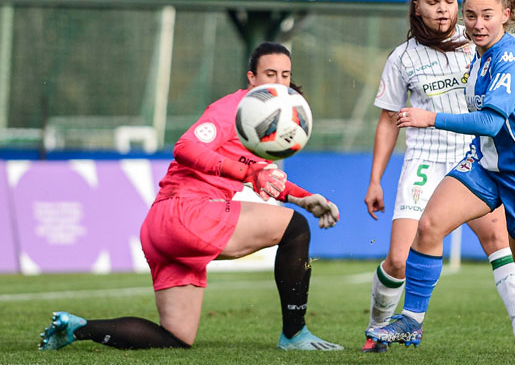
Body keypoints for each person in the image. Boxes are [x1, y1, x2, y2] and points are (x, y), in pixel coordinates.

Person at [37, 42, 344, 352]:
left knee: (176, 337)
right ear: (251, 78)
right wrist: (251, 175)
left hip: (162, 226)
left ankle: (76, 328)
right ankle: (295, 334)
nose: (279, 82)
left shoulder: (261, 120)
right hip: (188, 214)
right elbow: (185, 148)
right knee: (295, 230)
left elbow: (260, 173)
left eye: (285, 75)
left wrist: (303, 198)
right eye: (270, 74)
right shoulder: (233, 109)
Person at [365, 0, 515, 360]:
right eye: (470, 16)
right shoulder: (476, 54)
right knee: (429, 225)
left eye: (486, 15)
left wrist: (429, 118)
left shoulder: (512, 58)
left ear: (505, 15)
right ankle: (411, 320)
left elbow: (491, 122)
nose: (477, 24)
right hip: (488, 165)